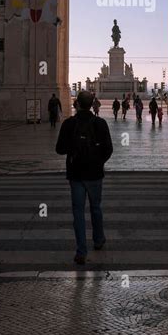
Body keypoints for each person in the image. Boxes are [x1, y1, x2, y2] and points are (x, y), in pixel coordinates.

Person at [55, 90, 113, 265]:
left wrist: (73, 150)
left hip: (76, 174)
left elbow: (59, 149)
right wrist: (98, 162)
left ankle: (81, 251)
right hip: (95, 174)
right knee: (96, 208)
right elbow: (108, 149)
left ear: (77, 104)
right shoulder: (100, 123)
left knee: (78, 212)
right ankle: (98, 239)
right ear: (92, 103)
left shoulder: (69, 124)